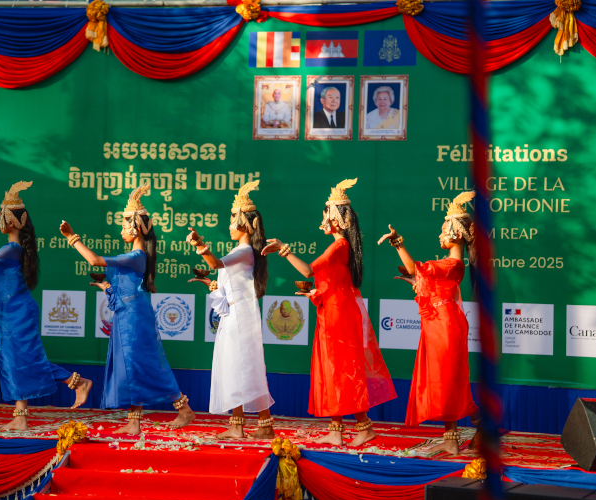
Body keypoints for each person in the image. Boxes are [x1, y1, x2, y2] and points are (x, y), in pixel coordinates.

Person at [0, 181, 92, 431]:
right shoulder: (13, 248)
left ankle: (77, 382)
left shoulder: (11, 249)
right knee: (15, 362)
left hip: (18, 313)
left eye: (2, 216)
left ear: (11, 220)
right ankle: (21, 416)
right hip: (14, 312)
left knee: (25, 361)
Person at [262, 179, 396, 447]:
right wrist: (316, 294)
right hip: (333, 309)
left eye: (326, 214)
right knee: (332, 369)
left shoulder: (339, 246)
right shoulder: (341, 247)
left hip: (339, 314)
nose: (323, 219)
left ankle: (363, 426)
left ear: (336, 219)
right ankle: (336, 428)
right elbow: (332, 283)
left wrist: (283, 249)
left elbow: (308, 271)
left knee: (342, 369)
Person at [59, 184, 195, 435]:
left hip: (134, 317)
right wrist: (106, 286)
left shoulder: (137, 255)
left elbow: (95, 260)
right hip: (126, 315)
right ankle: (134, 421)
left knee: (145, 363)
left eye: (124, 225)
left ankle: (183, 407)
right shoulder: (132, 256)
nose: (122, 229)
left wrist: (72, 238)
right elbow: (124, 287)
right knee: (132, 366)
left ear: (135, 228)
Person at [377, 191, 480, 455]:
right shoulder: (450, 264)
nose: (440, 235)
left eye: (444, 230)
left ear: (456, 234)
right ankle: (461, 433)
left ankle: (456, 437)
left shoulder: (452, 263)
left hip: (445, 326)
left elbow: (415, 268)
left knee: (447, 381)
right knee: (445, 380)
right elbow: (428, 284)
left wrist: (397, 242)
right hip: (439, 324)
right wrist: (416, 284)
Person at [187, 180, 275, 440]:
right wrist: (211, 284)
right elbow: (224, 279)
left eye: (231, 220)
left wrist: (198, 245)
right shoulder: (240, 251)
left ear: (244, 224)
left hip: (240, 317)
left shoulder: (246, 250)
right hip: (235, 315)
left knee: (240, 366)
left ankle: (239, 426)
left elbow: (215, 263)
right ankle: (263, 424)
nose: (229, 225)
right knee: (241, 366)